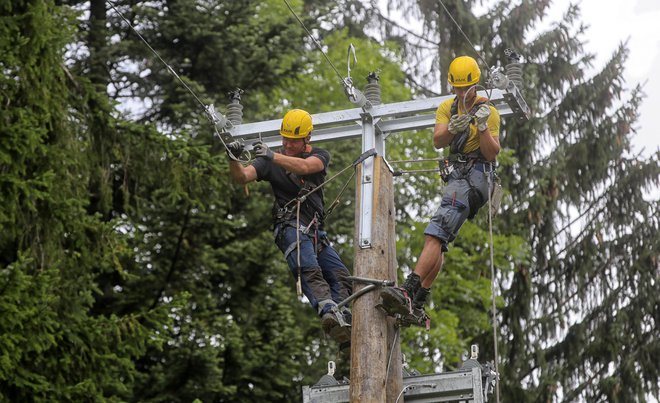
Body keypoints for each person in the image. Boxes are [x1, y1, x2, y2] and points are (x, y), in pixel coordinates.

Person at [380, 55, 501, 322]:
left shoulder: (489, 112)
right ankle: (419, 300)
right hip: (458, 176)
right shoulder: (448, 108)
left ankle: (408, 291)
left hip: (476, 177)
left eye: (465, 87)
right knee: (439, 240)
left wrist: (482, 128)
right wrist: (453, 128)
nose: (461, 92)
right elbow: (438, 140)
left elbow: (492, 153)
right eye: (457, 88)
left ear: (475, 84)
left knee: (435, 232)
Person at [226, 109, 352, 344]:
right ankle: (328, 313)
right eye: (284, 139)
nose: (286, 144)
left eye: (292, 141)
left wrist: (272, 156)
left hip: (315, 231)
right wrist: (232, 158)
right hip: (290, 227)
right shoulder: (268, 162)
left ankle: (344, 316)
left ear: (307, 139)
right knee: (309, 269)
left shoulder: (319, 155)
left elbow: (304, 168)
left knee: (341, 276)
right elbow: (242, 177)